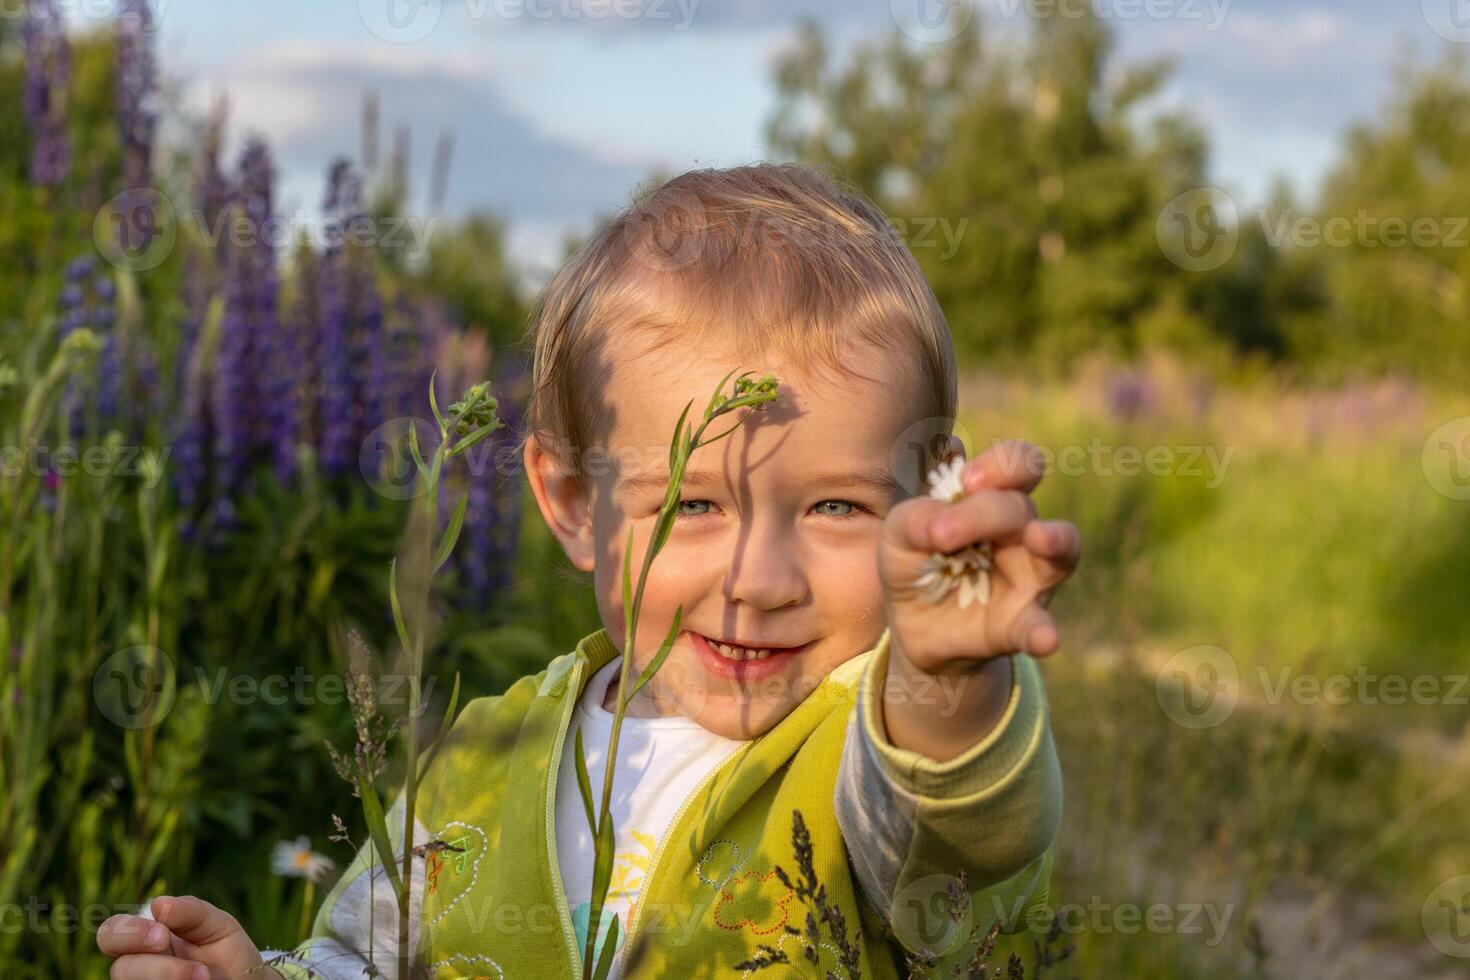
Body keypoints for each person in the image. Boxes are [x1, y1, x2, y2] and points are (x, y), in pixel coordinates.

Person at [98, 162, 1079, 979]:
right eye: (693, 504)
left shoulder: (865, 745)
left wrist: (949, 673)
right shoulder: (487, 753)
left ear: (929, 496)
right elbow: (364, 955)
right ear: (572, 502)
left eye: (838, 506)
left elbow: (962, 827)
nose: (759, 579)